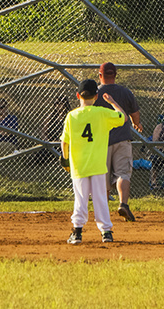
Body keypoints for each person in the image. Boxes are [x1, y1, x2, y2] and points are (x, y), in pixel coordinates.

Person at [61, 79, 126, 245]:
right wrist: (112, 102)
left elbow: (64, 141)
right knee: (100, 199)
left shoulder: (71, 116)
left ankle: (77, 233)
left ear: (78, 96)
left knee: (80, 198)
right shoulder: (101, 113)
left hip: (79, 166)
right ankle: (106, 232)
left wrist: (66, 159)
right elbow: (123, 117)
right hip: (97, 165)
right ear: (96, 97)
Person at [95, 62, 142, 222]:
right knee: (123, 173)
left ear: (100, 75)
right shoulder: (125, 92)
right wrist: (137, 123)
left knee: (103, 178)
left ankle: (104, 211)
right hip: (122, 138)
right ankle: (123, 204)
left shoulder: (95, 93)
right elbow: (135, 113)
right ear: (115, 75)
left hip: (101, 141)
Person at [35, 96, 71, 165]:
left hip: (63, 143)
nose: (58, 106)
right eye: (57, 103)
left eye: (61, 104)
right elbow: (43, 131)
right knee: (39, 156)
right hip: (50, 143)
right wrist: (47, 141)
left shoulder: (69, 116)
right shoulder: (51, 117)